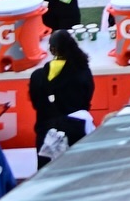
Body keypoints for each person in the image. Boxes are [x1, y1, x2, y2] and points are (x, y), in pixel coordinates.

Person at [28, 29, 95, 167]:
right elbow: (87, 98)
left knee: (46, 175)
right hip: (76, 130)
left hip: (46, 133)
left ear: (53, 50)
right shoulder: (83, 71)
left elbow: (36, 104)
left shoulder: (37, 76)